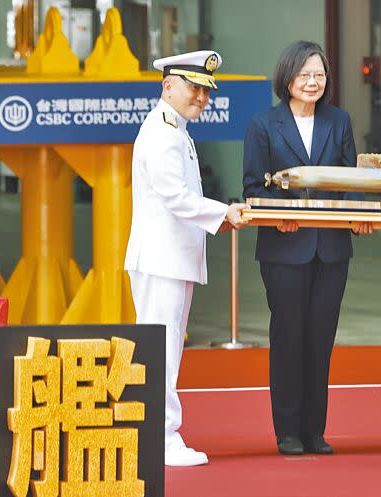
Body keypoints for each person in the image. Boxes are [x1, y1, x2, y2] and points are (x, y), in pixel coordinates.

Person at [243, 40, 371, 456]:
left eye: (319, 75)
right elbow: (253, 186)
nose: (313, 82)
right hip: (285, 246)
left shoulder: (339, 120)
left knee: (320, 338)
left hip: (331, 249)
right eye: (304, 75)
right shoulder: (264, 125)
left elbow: (353, 181)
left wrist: (358, 214)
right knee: (288, 337)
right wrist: (280, 212)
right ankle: (287, 431)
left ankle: (315, 430)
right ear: (288, 78)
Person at [124, 50, 248, 467]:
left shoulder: (175, 129)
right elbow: (174, 196)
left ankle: (157, 434)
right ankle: (162, 438)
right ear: (168, 85)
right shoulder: (161, 133)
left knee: (166, 346)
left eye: (205, 90)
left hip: (170, 259)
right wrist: (222, 213)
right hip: (161, 260)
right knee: (162, 350)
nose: (201, 97)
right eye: (193, 87)